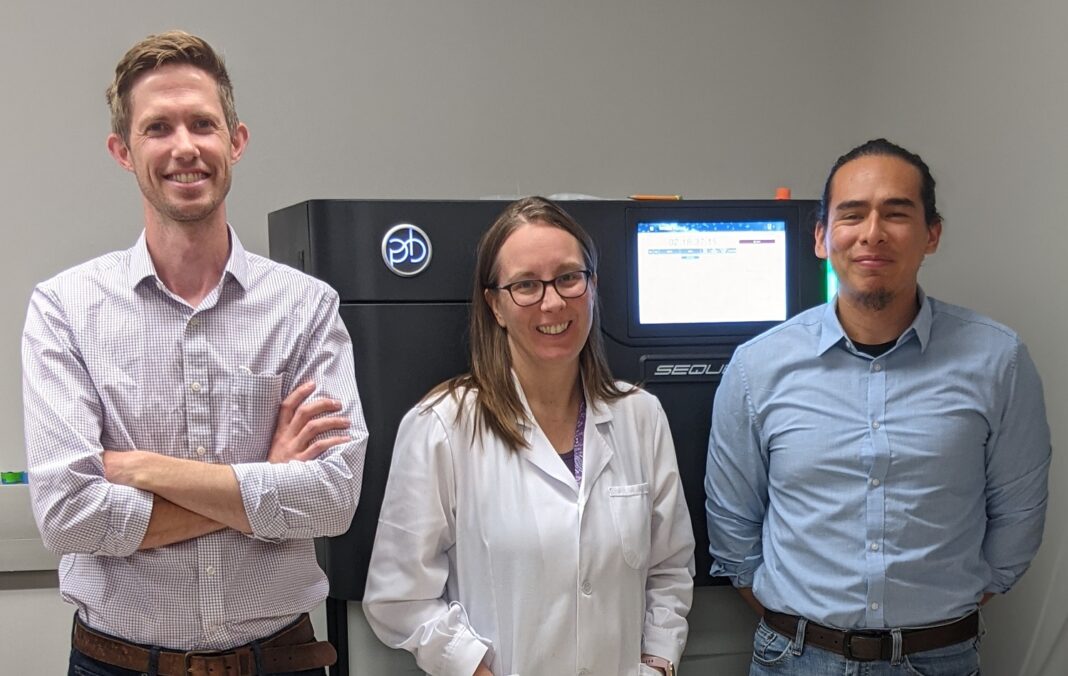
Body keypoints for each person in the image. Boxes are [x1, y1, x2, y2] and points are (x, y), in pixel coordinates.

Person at [22, 31, 368, 676]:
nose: (185, 147)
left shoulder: (306, 306)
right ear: (123, 151)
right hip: (116, 665)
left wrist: (147, 469)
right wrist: (263, 480)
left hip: (279, 663)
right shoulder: (64, 309)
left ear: (235, 140)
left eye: (203, 124)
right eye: (158, 127)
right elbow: (68, 518)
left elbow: (333, 500)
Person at [704, 138, 1051, 674]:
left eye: (896, 213)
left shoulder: (997, 361)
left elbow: (1017, 522)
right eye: (851, 214)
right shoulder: (757, 368)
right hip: (795, 659)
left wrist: (931, 627)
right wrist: (808, 632)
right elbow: (733, 528)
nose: (872, 233)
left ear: (931, 234)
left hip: (939, 660)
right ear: (822, 236)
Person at [362, 196, 695, 676]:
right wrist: (473, 668)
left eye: (568, 278)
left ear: (592, 286)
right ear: (495, 305)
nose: (553, 302)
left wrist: (657, 664)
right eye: (526, 285)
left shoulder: (640, 416)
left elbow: (669, 569)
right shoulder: (442, 426)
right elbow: (398, 596)